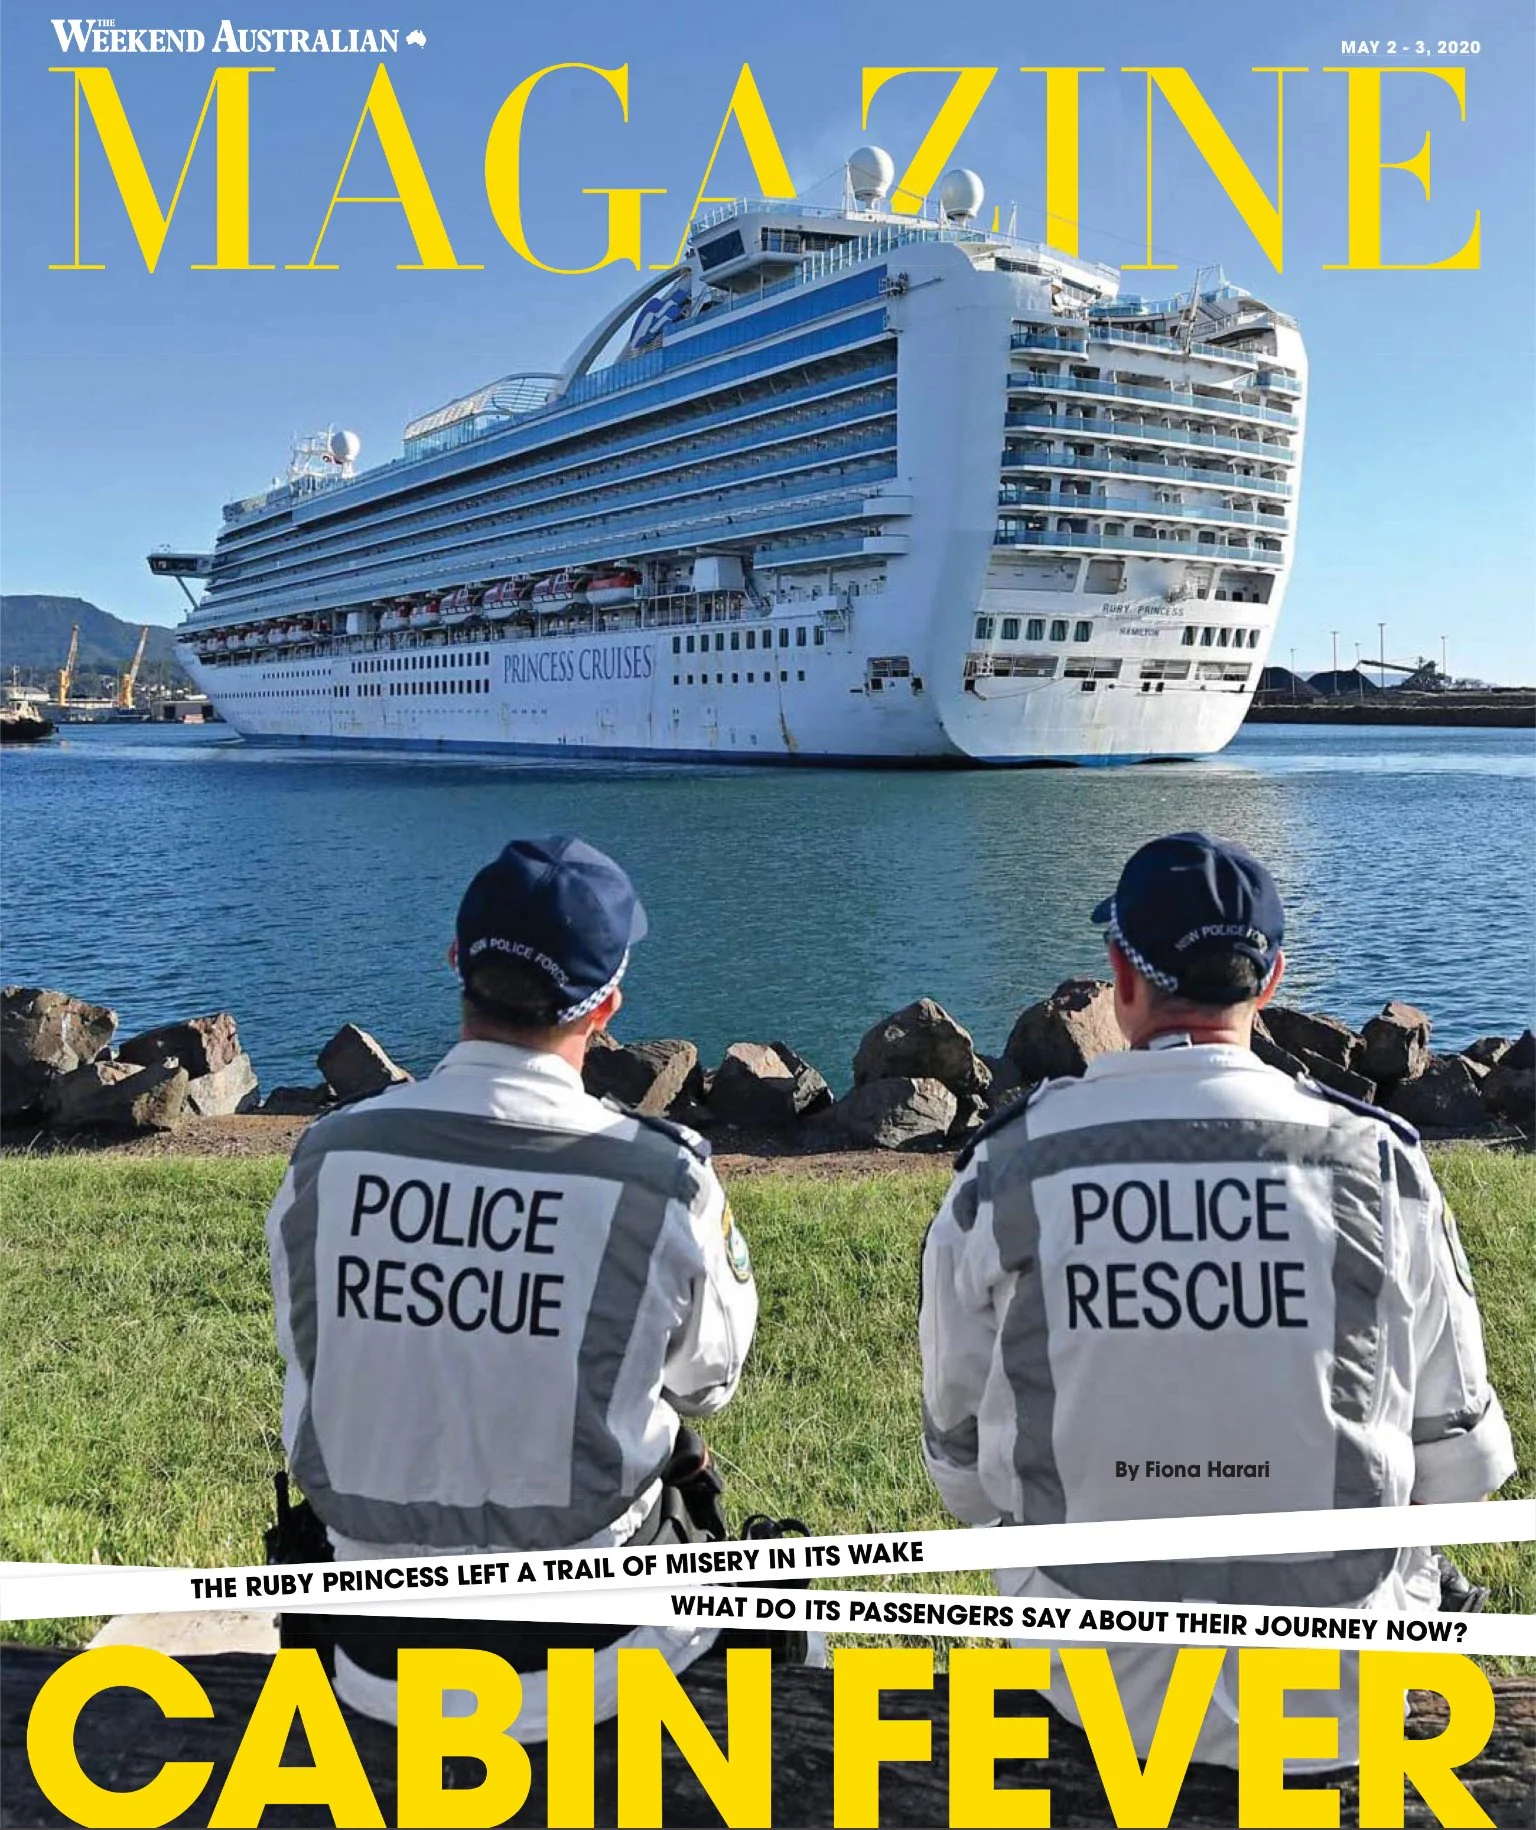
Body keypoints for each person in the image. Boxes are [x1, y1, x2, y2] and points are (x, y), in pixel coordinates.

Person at [918, 831, 1517, 1769]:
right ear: (1270, 981)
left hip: (1089, 1692)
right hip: (1340, 1702)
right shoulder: (1379, 1166)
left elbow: (962, 1471)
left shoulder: (1007, 1172)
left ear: (1118, 975)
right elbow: (1462, 1465)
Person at [265, 836, 759, 1734]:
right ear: (607, 1007)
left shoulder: (327, 1160)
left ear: (457, 963)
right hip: (593, 1660)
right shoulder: (662, 1183)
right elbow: (709, 1383)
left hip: (370, 1655)